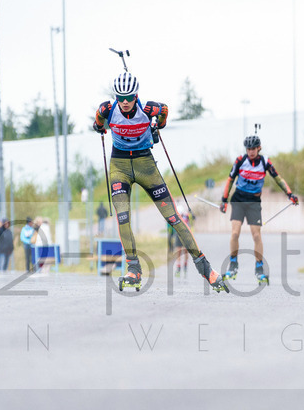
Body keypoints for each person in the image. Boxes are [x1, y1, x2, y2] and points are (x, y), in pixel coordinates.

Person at [92, 71, 227, 292]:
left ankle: (206, 269)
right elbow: (98, 123)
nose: (124, 102)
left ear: (136, 95)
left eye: (129, 97)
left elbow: (163, 117)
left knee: (173, 218)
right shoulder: (107, 109)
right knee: (123, 216)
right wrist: (99, 126)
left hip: (146, 165)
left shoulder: (150, 108)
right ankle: (133, 268)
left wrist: (159, 120)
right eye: (120, 97)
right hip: (120, 166)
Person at [219, 134, 298, 282]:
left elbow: (278, 178)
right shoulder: (240, 161)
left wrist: (290, 193)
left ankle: (259, 267)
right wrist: (224, 200)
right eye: (249, 149)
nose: (251, 151)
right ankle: (233, 264)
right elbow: (230, 180)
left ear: (259, 148)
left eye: (254, 148)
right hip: (239, 199)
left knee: (256, 235)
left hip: (254, 201)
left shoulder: (265, 162)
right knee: (235, 233)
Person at [169, 200, 191, 276]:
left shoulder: (185, 217)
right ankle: (178, 267)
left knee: (185, 251)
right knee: (178, 250)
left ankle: (185, 265)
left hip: (186, 235)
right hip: (178, 234)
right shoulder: (175, 217)